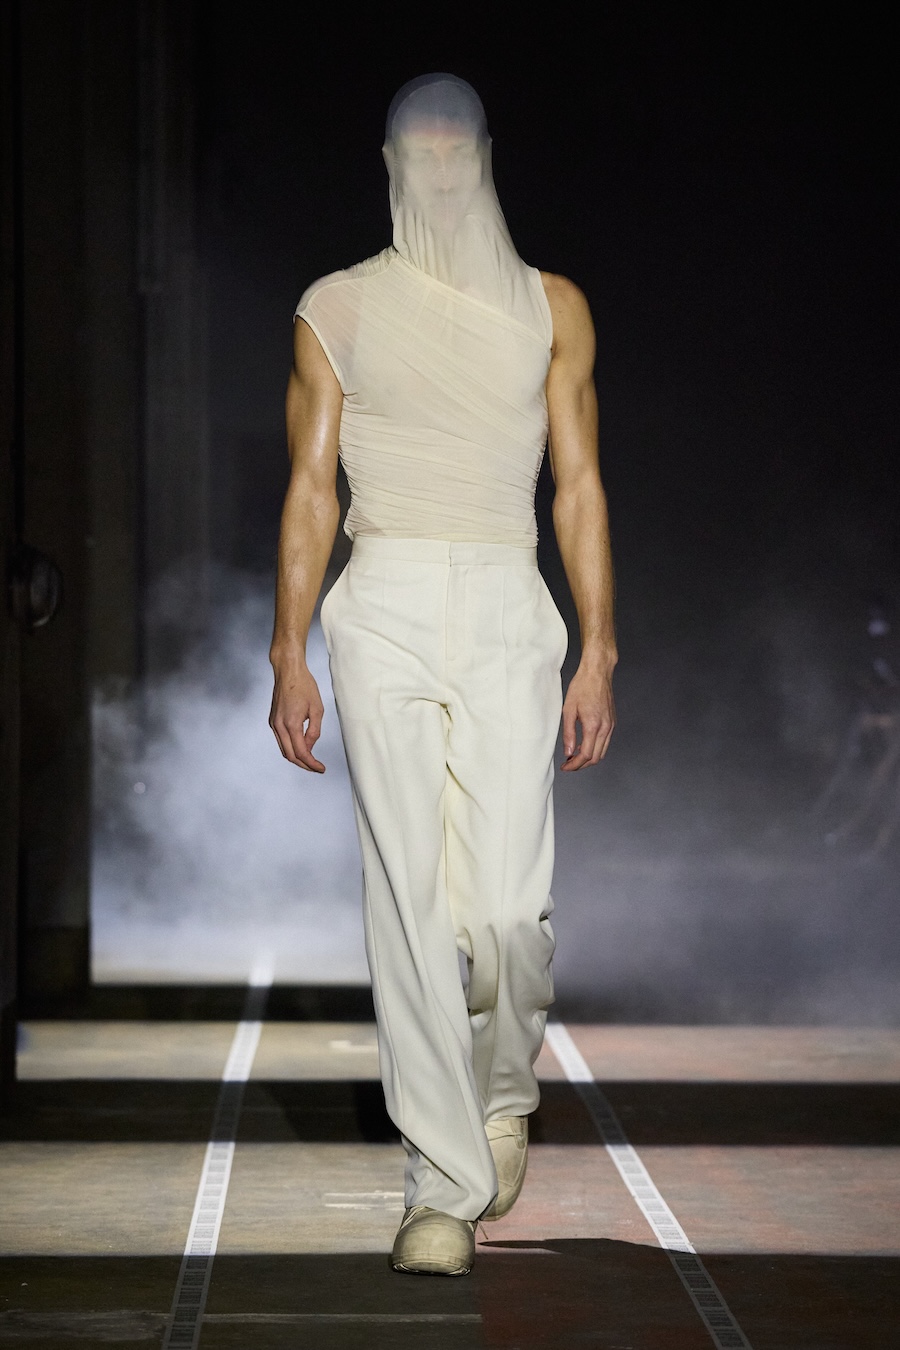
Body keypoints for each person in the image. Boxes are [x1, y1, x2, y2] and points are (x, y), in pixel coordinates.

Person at [269, 73, 616, 1276]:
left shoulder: (552, 307)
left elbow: (578, 485)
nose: (440, 175)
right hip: (385, 602)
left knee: (508, 914)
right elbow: (311, 488)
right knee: (408, 899)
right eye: (419, 158)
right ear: (390, 167)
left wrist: (601, 646)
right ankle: (439, 1185)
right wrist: (288, 647)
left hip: (510, 601)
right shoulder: (337, 308)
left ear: (484, 159)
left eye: (456, 155)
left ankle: (502, 1092)